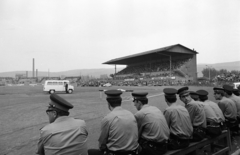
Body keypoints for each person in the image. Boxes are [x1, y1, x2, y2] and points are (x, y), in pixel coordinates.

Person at [89, 90, 139, 155]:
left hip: (115, 153)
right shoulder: (131, 114)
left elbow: (102, 142)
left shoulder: (108, 118)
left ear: (108, 103)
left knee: (89, 152)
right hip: (133, 152)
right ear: (120, 102)